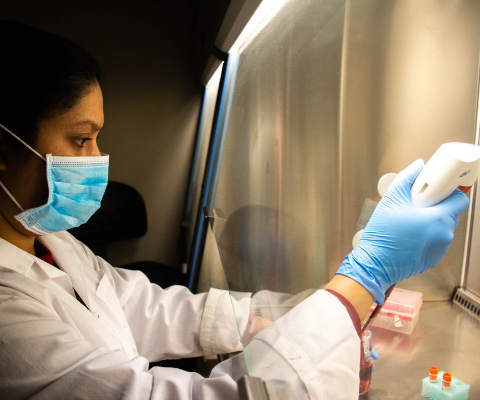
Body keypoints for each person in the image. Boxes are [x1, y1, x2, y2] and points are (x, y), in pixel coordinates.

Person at [0, 20, 469, 400]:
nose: (98, 159)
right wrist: (360, 281)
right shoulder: (8, 320)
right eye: (81, 139)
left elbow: (144, 307)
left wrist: (315, 306)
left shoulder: (51, 242)